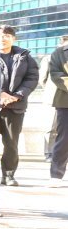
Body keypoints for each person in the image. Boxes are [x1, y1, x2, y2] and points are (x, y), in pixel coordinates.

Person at [0, 25, 39, 186]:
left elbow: (32, 78)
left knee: (11, 144)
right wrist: (0, 93)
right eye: (0, 34)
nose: (3, 38)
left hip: (15, 107)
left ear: (14, 38)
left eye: (7, 35)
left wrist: (16, 96)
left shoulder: (24, 57)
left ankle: (8, 175)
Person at [49, 34, 68, 186]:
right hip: (65, 102)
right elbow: (56, 75)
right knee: (64, 140)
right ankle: (56, 174)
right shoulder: (59, 53)